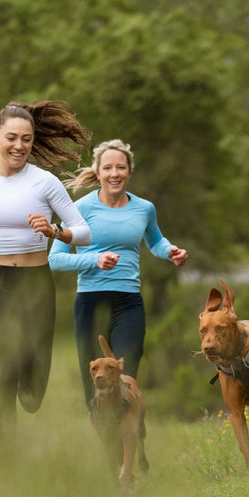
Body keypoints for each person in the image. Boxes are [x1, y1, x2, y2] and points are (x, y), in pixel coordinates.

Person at [0, 100, 93, 432]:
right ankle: (3, 459)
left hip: (35, 285)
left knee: (30, 395)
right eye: (12, 138)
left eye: (26, 139)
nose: (20, 146)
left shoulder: (45, 183)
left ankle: (31, 386)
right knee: (2, 374)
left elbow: (83, 233)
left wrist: (54, 230)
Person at [48, 139, 187, 409]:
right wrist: (94, 260)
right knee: (95, 384)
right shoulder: (79, 209)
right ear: (98, 173)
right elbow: (54, 259)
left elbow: (156, 242)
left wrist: (170, 251)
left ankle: (128, 442)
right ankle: (105, 443)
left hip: (128, 303)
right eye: (108, 168)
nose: (115, 174)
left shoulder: (144, 208)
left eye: (121, 168)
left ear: (129, 172)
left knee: (126, 380)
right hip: (90, 302)